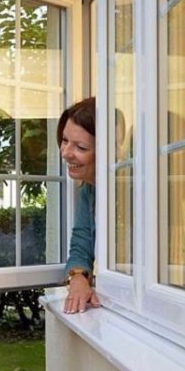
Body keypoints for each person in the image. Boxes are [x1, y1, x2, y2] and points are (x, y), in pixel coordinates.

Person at [57, 97, 101, 314]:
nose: (65, 153)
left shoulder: (129, 194)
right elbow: (81, 246)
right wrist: (77, 277)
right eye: (65, 140)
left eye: (80, 147)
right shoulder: (88, 190)